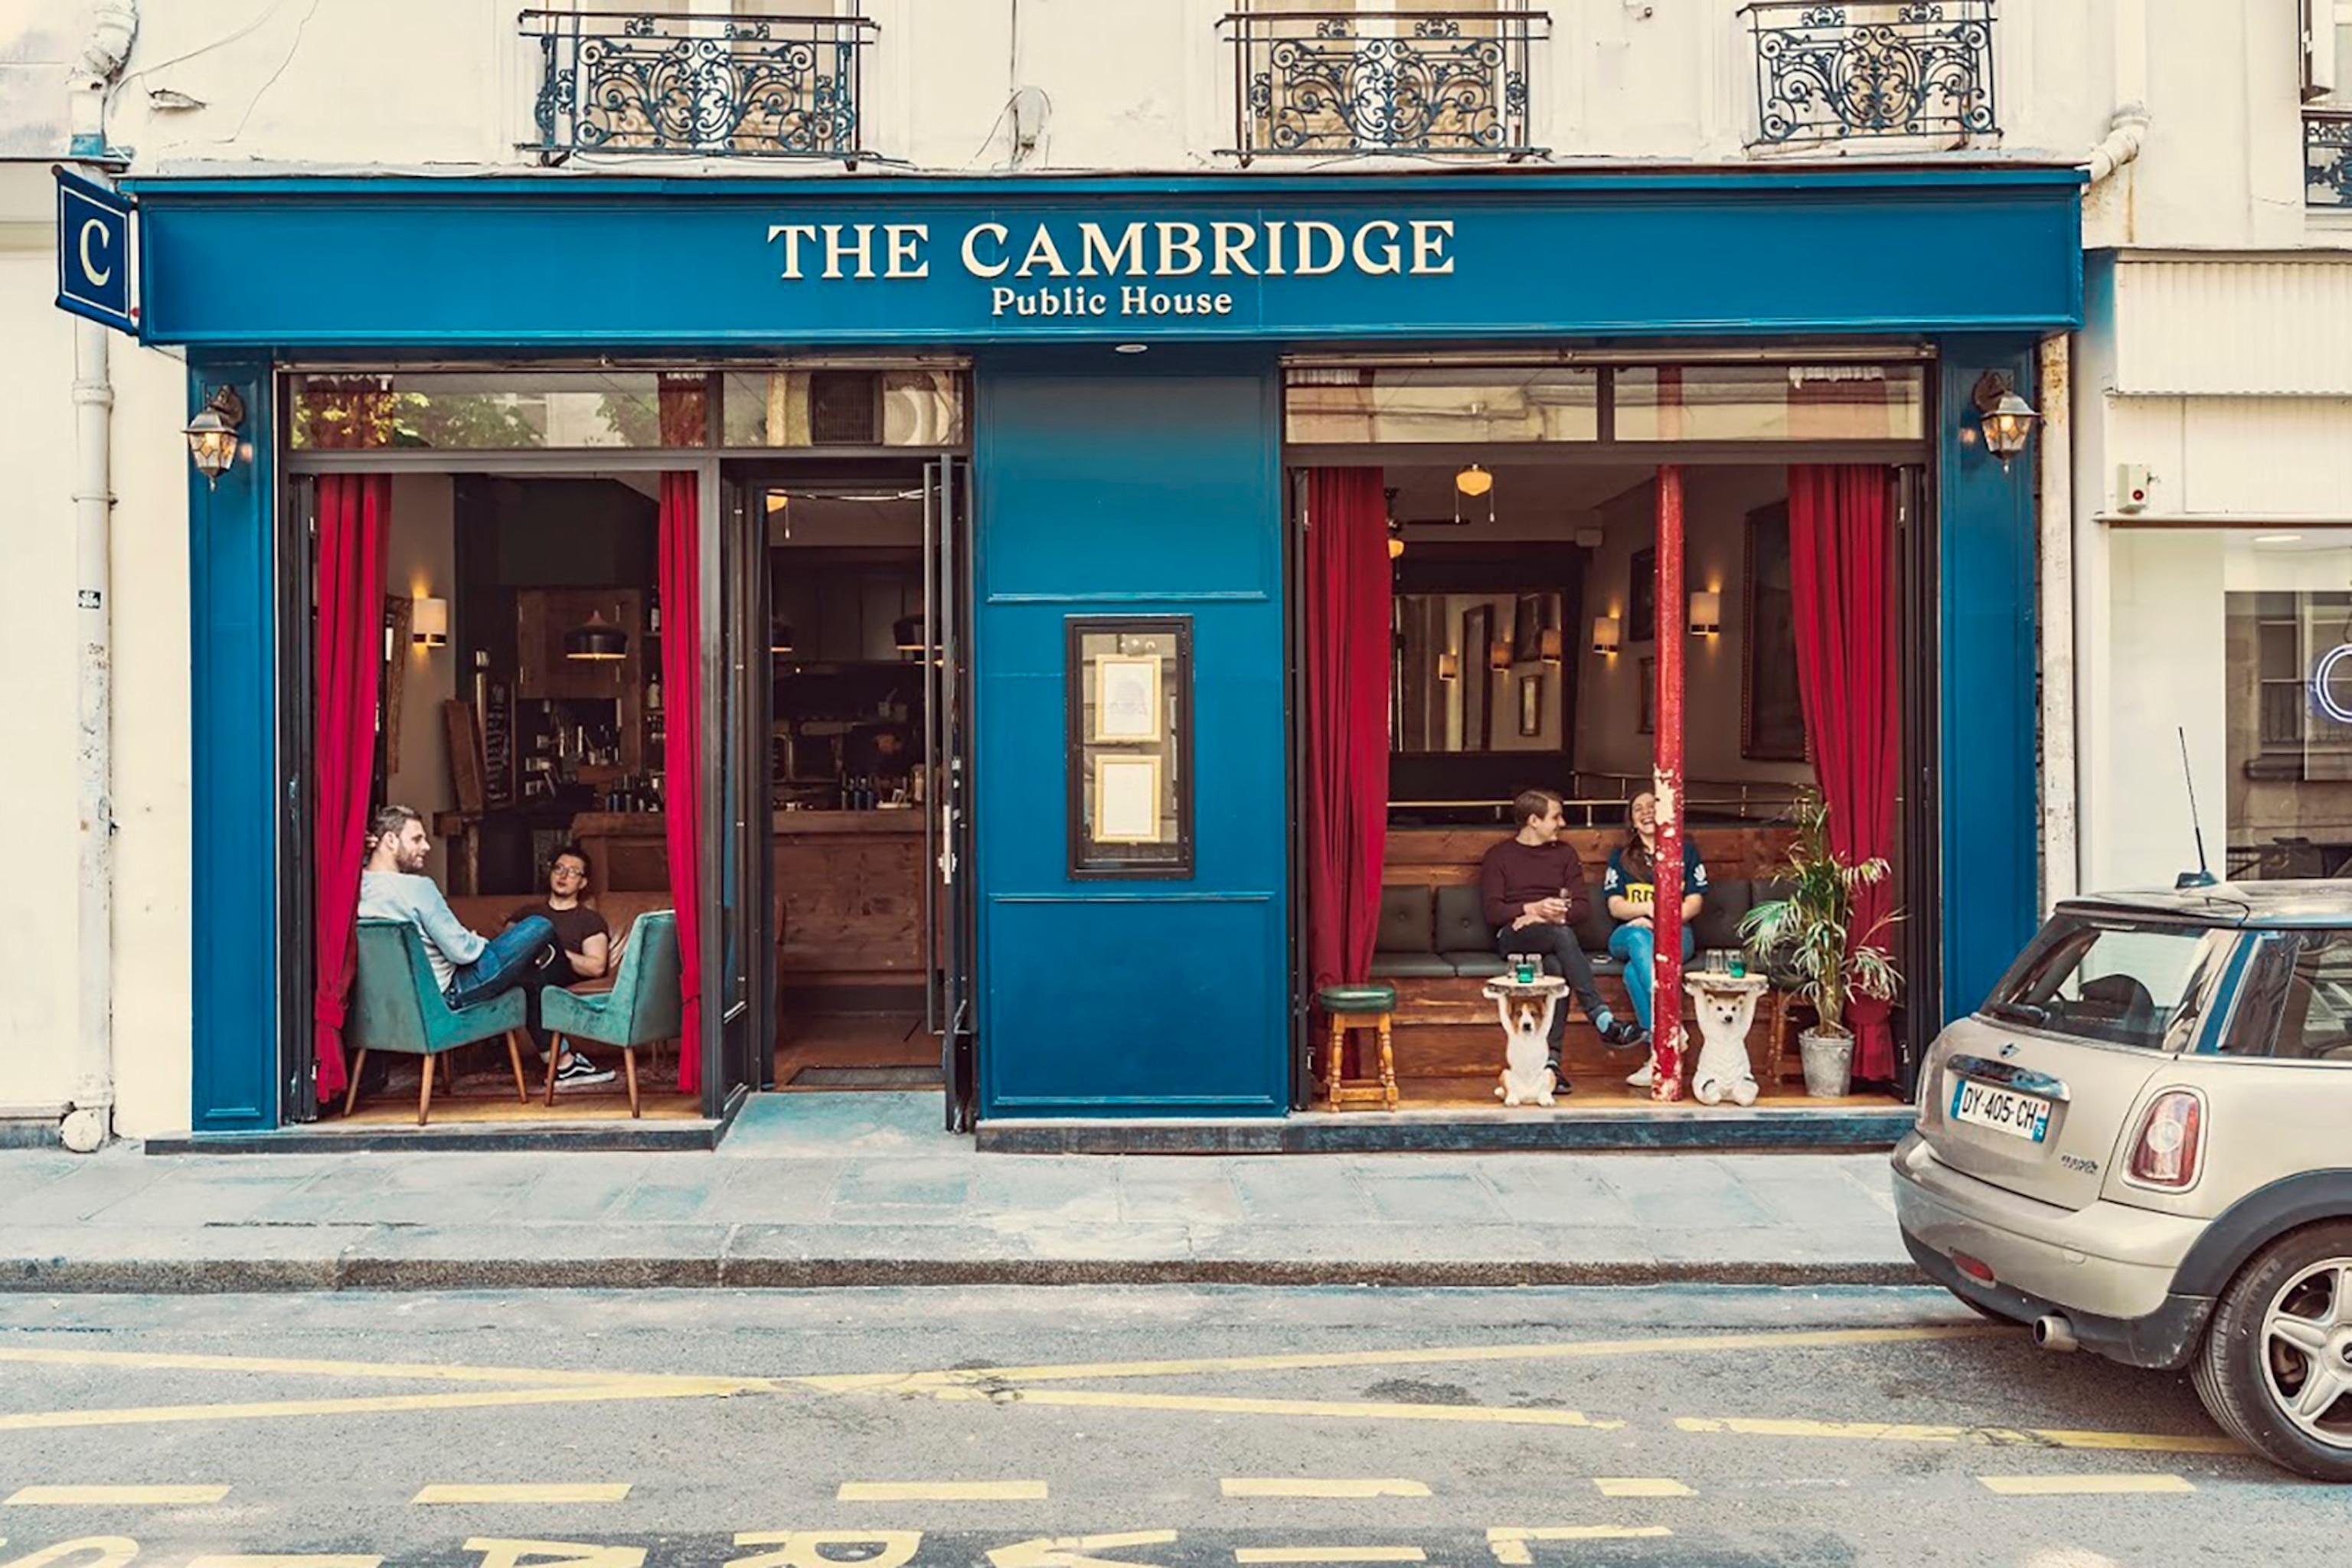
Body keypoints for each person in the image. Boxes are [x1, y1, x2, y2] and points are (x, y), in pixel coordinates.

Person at [1480, 789, 1646, 1089]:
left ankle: (1551, 1065)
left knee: (1556, 968)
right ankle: (1601, 1018)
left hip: (1554, 934)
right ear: (1533, 820)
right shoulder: (1499, 856)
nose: (1562, 823)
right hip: (1514, 936)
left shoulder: (1565, 854)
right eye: (1556, 817)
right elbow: (1494, 911)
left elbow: (1581, 908)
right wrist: (1532, 909)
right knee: (1561, 935)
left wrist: (1549, 915)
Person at [1604, 792, 1710, 1088]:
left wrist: (1664, 923)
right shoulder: (1621, 856)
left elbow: (1694, 903)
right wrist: (1647, 910)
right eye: (1638, 809)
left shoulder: (1685, 852)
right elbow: (1615, 906)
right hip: (1629, 933)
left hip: (1676, 934)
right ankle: (1671, 1022)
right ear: (1632, 820)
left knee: (1632, 972)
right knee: (1639, 937)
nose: (1646, 812)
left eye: (1652, 806)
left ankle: (1656, 1055)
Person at [506, 843, 617, 1090]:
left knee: (540, 945)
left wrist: (556, 949)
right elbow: (504, 949)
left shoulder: (589, 920)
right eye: (559, 868)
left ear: (583, 882)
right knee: (527, 960)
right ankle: (565, 1065)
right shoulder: (527, 913)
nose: (563, 875)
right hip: (522, 969)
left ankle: (545, 949)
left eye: (573, 872)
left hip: (557, 972)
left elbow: (596, 967)